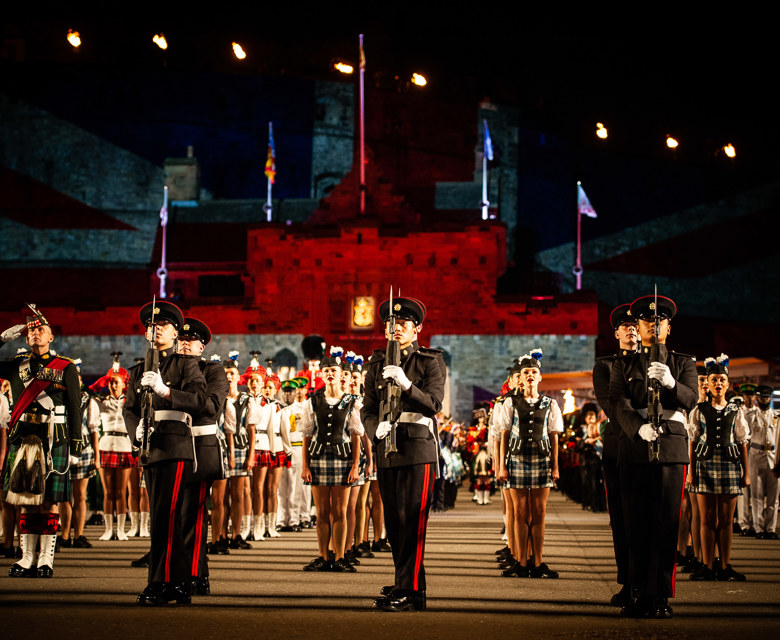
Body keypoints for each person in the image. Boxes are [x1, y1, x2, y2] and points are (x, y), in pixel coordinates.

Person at [609, 294, 697, 618]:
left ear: (668, 328)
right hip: (636, 446)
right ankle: (638, 592)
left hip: (670, 447)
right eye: (647, 320)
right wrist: (638, 427)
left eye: (660, 321)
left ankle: (660, 595)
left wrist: (671, 383)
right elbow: (618, 402)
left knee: (666, 523)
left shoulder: (683, 363)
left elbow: (691, 399)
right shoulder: (624, 364)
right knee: (636, 524)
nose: (653, 324)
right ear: (639, 325)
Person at [361, 296, 446, 612]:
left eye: (403, 323)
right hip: (387, 447)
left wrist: (406, 383)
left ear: (417, 328)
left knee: (412, 521)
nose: (395, 328)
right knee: (394, 524)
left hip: (417, 449)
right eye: (390, 323)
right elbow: (367, 408)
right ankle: (408, 585)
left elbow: (434, 404)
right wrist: (375, 429)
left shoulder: (429, 361)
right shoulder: (376, 363)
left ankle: (407, 590)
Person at [123, 300, 206, 606]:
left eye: (163, 326)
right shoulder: (137, 370)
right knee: (161, 516)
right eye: (151, 326)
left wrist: (165, 391)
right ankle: (178, 584)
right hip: (150, 447)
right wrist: (135, 430)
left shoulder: (185, 364)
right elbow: (129, 409)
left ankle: (161, 583)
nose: (156, 330)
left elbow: (201, 401)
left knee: (165, 516)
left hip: (174, 445)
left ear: (175, 334)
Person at [1, 307, 82, 578]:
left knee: (50, 501)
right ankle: (27, 557)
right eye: (32, 331)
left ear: (51, 337)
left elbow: (74, 409)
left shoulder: (65, 367)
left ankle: (46, 558)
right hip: (23, 437)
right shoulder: (17, 365)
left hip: (54, 439)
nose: (36, 333)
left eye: (41, 330)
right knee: (26, 500)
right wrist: (2, 339)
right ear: (26, 338)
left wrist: (75, 444)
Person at [496, 349, 563, 580]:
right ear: (520, 379)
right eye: (526, 373)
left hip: (542, 459)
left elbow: (554, 436)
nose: (530, 375)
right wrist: (502, 465)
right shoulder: (511, 402)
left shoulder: (550, 404)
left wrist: (555, 466)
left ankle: (538, 562)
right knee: (520, 512)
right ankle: (521, 562)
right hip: (517, 458)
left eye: (534, 372)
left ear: (540, 377)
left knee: (540, 512)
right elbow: (504, 433)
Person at [177, 317, 229, 596]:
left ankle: (196, 572)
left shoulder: (212, 370)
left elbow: (211, 407)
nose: (185, 344)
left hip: (199, 445)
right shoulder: (166, 366)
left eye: (191, 341)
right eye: (181, 340)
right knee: (168, 513)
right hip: (169, 444)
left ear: (202, 346)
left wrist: (170, 396)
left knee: (194, 513)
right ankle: (173, 570)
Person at [687, 354, 750, 581]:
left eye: (721, 380)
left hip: (729, 465)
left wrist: (746, 473)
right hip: (704, 465)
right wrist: (691, 471)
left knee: (726, 520)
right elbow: (693, 441)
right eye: (713, 380)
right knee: (706, 519)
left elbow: (742, 442)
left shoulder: (736, 410)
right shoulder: (699, 410)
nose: (718, 384)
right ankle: (706, 565)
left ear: (727, 383)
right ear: (708, 383)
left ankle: (724, 566)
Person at [299, 347, 362, 572]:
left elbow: (356, 436)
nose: (330, 374)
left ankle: (340, 557)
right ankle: (323, 557)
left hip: (343, 460)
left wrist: (355, 465)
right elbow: (307, 435)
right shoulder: (312, 401)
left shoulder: (352, 401)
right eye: (326, 371)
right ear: (322, 375)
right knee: (322, 512)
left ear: (340, 373)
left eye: (333, 370)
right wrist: (305, 465)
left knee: (340, 511)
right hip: (318, 459)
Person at [591, 303, 637, 605]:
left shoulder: (654, 362)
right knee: (622, 518)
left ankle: (647, 583)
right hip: (619, 446)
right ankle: (628, 581)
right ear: (616, 333)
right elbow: (611, 405)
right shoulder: (605, 366)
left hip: (651, 448)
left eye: (635, 326)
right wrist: (641, 425)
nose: (631, 329)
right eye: (625, 326)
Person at [88, 359, 133, 541]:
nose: (113, 386)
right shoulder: (102, 402)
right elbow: (86, 394)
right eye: (110, 382)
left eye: (116, 382)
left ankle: (120, 529)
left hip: (124, 446)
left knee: (121, 492)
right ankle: (108, 529)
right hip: (106, 446)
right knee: (108, 492)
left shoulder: (129, 402)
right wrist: (97, 385)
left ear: (124, 384)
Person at [59, 362, 99, 549]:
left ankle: (79, 534)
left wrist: (97, 457)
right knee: (63, 496)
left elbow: (93, 430)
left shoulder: (88, 401)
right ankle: (64, 534)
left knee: (80, 495)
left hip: (83, 449)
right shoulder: (59, 398)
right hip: (63, 448)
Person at [747, 385, 777, 539]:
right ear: (757, 398)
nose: (764, 400)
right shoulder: (750, 416)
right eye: (761, 397)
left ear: (770, 398)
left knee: (773, 497)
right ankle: (758, 528)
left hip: (773, 458)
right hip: (756, 457)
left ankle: (770, 529)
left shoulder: (777, 416)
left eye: (766, 397)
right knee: (756, 496)